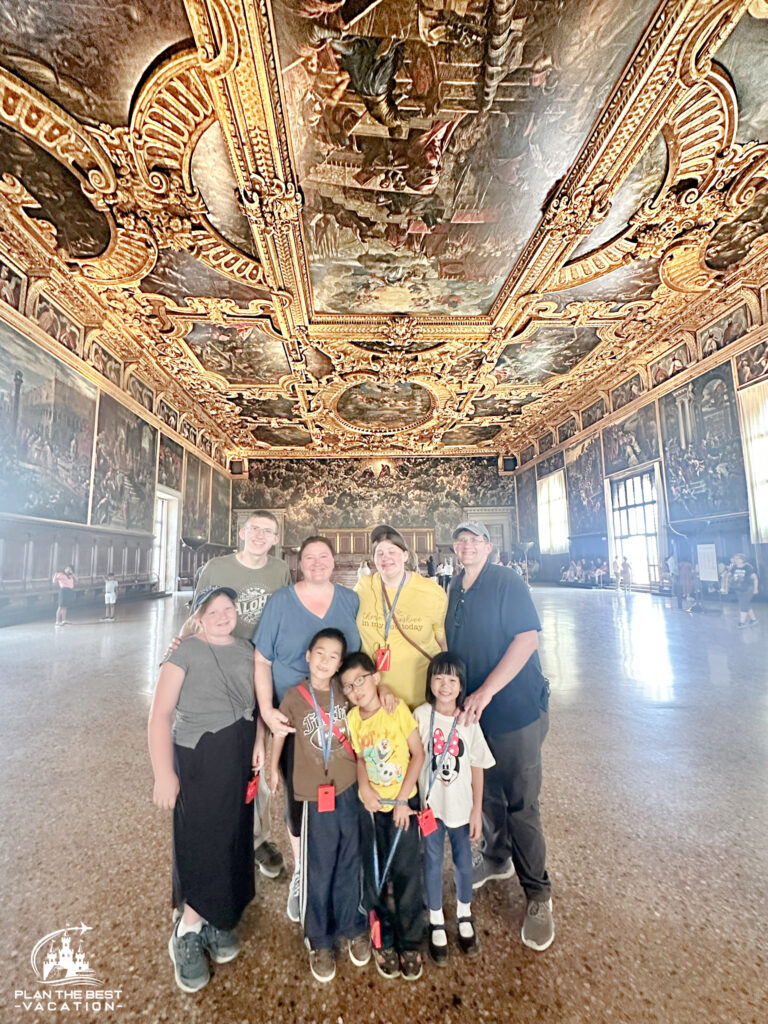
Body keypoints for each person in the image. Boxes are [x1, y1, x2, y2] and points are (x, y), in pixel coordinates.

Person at [148, 586, 264, 993]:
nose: (221, 615)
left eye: (228, 608)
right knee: (200, 835)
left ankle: (218, 914)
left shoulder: (247, 648)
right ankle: (188, 928)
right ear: (198, 616)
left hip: (238, 751)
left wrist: (260, 742)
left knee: (232, 833)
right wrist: (164, 772)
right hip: (199, 753)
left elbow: (257, 705)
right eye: (212, 610)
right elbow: (160, 715)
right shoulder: (185, 651)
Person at [445, 521, 554, 952]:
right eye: (461, 540)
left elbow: (527, 639)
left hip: (514, 711)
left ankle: (539, 894)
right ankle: (496, 855)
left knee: (522, 804)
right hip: (475, 713)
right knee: (485, 791)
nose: (467, 545)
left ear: (489, 547)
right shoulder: (456, 587)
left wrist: (487, 691)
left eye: (475, 540)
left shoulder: (506, 581)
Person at [254, 536, 361, 922]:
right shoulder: (281, 601)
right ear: (299, 563)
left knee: (344, 794)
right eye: (309, 557)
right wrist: (266, 710)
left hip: (339, 724)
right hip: (293, 722)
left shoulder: (349, 600)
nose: (317, 562)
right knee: (298, 803)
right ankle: (302, 870)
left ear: (334, 562)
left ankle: (343, 871)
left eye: (324, 557)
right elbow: (262, 659)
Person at [191, 510, 290, 881]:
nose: (261, 535)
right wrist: (180, 648)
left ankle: (259, 838)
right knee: (221, 755)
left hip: (264, 670)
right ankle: (221, 836)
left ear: (276, 538)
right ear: (243, 532)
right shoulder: (216, 568)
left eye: (269, 531)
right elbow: (195, 616)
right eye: (256, 529)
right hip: (220, 671)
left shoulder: (279, 570)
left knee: (259, 756)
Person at [268, 628, 369, 983]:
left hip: (348, 788)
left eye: (333, 657)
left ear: (340, 664)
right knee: (318, 865)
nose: (325, 661)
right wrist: (271, 767)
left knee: (349, 857)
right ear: (308, 655)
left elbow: (370, 696)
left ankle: (352, 924)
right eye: (320, 653)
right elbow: (279, 731)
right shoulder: (294, 697)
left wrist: (383, 691)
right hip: (314, 795)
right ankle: (319, 937)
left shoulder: (345, 692)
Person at [341, 651, 426, 981]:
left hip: (402, 807)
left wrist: (404, 799)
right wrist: (364, 788)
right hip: (372, 808)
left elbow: (417, 754)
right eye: (348, 687)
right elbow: (361, 757)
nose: (355, 690)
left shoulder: (397, 709)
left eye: (360, 681)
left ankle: (410, 943)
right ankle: (384, 940)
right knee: (374, 876)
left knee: (407, 876)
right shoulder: (352, 719)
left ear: (376, 678)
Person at [414, 652, 495, 966]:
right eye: (439, 678)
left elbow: (477, 765)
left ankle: (464, 912)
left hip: (462, 810)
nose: (445, 686)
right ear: (430, 681)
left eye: (452, 679)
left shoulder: (468, 720)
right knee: (432, 860)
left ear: (462, 685)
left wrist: (477, 810)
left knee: (464, 862)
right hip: (431, 809)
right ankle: (435, 917)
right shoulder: (420, 716)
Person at [355, 524, 447, 710]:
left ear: (405, 555)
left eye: (392, 551)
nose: (385, 558)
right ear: (373, 559)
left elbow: (442, 642)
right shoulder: (363, 588)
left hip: (421, 698)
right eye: (379, 553)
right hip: (377, 698)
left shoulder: (432, 592)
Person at [727, 553, 758, 628]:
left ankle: (742, 622)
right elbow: (729, 575)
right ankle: (754, 619)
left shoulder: (748, 567)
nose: (736, 560)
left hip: (748, 589)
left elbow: (755, 578)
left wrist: (755, 589)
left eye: (738, 558)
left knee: (743, 605)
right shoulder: (734, 567)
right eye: (735, 558)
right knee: (746, 604)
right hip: (738, 589)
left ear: (742, 559)